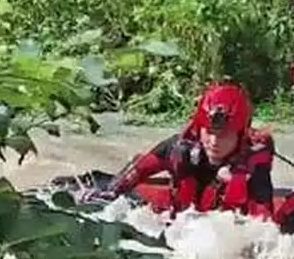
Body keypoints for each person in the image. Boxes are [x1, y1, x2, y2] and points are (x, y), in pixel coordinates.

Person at [102, 81, 275, 218]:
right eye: (208, 132)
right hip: (180, 224)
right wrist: (108, 195)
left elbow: (264, 223)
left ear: (240, 135)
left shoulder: (254, 164)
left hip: (222, 229)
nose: (214, 142)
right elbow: (137, 169)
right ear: (199, 128)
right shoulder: (179, 148)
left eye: (224, 135)